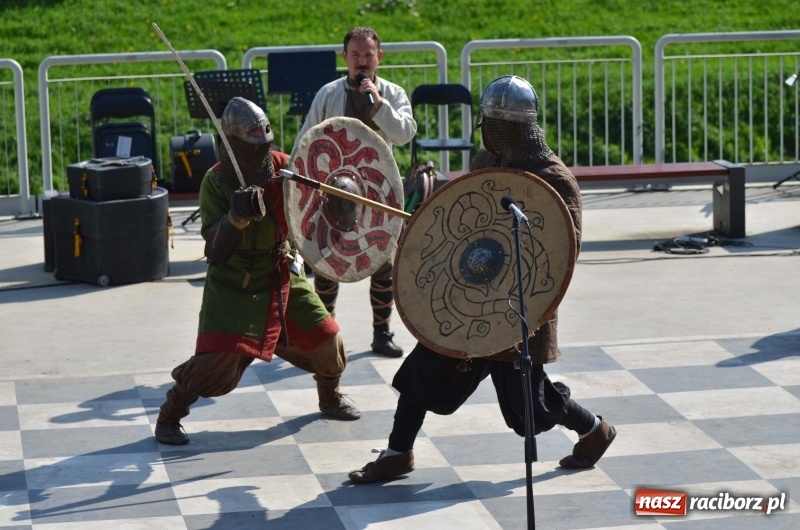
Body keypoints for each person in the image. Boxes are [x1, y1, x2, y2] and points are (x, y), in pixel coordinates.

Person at [347, 75, 616, 482]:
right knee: (422, 370)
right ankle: (398, 452)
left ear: (507, 127)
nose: (485, 132)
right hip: (464, 297)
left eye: (491, 124)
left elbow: (561, 252)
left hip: (519, 310)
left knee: (529, 408)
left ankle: (595, 430)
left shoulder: (554, 179)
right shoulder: (486, 162)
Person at [155, 97, 360, 446]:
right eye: (251, 146)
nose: (260, 152)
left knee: (328, 340)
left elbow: (315, 212)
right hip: (234, 282)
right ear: (232, 144)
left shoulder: (285, 169)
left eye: (263, 144)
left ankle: (329, 396)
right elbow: (214, 251)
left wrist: (339, 201)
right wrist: (234, 219)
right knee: (216, 364)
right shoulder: (215, 182)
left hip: (281, 272)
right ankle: (171, 412)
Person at [290, 26, 417, 358]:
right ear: (344, 56)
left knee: (384, 264)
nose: (362, 62)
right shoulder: (328, 94)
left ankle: (382, 333)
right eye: (356, 55)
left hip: (377, 193)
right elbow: (306, 140)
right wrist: (296, 184)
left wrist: (379, 104)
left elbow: (404, 134)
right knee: (326, 264)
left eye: (368, 55)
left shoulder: (393, 94)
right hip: (331, 194)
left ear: (379, 57)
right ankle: (324, 332)